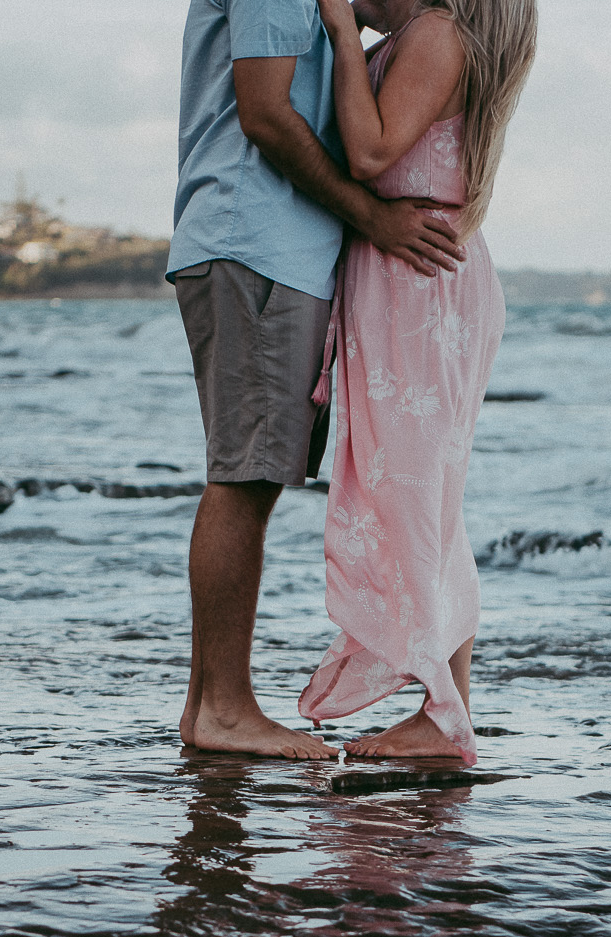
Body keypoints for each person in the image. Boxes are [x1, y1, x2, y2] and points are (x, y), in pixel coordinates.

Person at [170, 0, 467, 760]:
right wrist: (372, 216)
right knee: (247, 474)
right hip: (257, 240)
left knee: (252, 472)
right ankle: (223, 711)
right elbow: (266, 114)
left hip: (274, 248)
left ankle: (215, 706)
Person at [298, 0, 537, 765]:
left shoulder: (436, 34)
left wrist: (341, 32)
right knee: (427, 499)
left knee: (412, 495)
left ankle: (443, 715)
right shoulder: (432, 36)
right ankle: (446, 711)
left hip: (419, 283)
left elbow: (368, 155)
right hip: (416, 278)